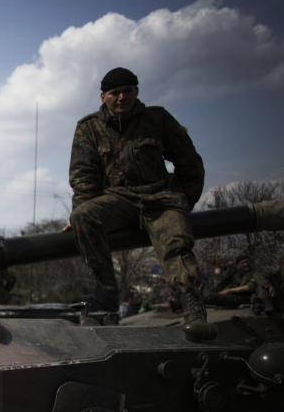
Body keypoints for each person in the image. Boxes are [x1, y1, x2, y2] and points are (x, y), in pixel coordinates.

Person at [68, 67, 207, 323]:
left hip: (160, 198)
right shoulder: (89, 128)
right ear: (103, 97)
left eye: (126, 91)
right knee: (83, 216)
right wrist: (80, 211)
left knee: (176, 243)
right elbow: (83, 176)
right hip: (119, 200)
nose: (121, 98)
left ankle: (192, 302)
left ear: (136, 92)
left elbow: (189, 162)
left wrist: (185, 200)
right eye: (114, 93)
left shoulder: (157, 119)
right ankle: (107, 293)